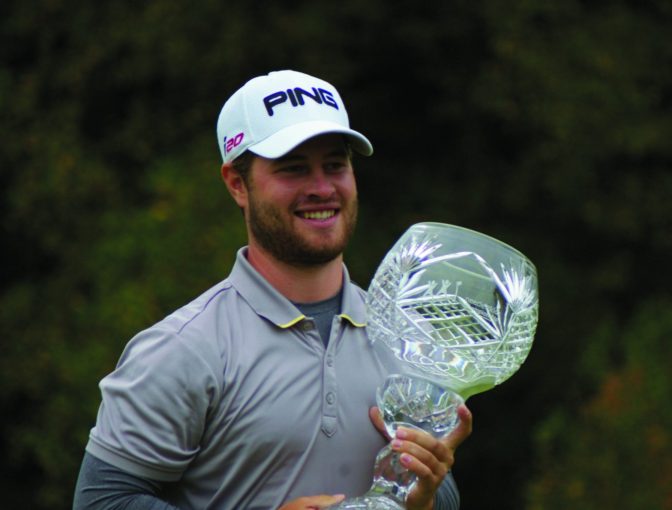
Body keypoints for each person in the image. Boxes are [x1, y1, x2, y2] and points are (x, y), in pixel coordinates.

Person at [73, 70, 472, 510]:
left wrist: (427, 496)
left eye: (335, 165)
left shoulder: (407, 341)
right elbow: (102, 501)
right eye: (293, 169)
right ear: (237, 184)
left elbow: (437, 492)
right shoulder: (182, 349)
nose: (321, 188)